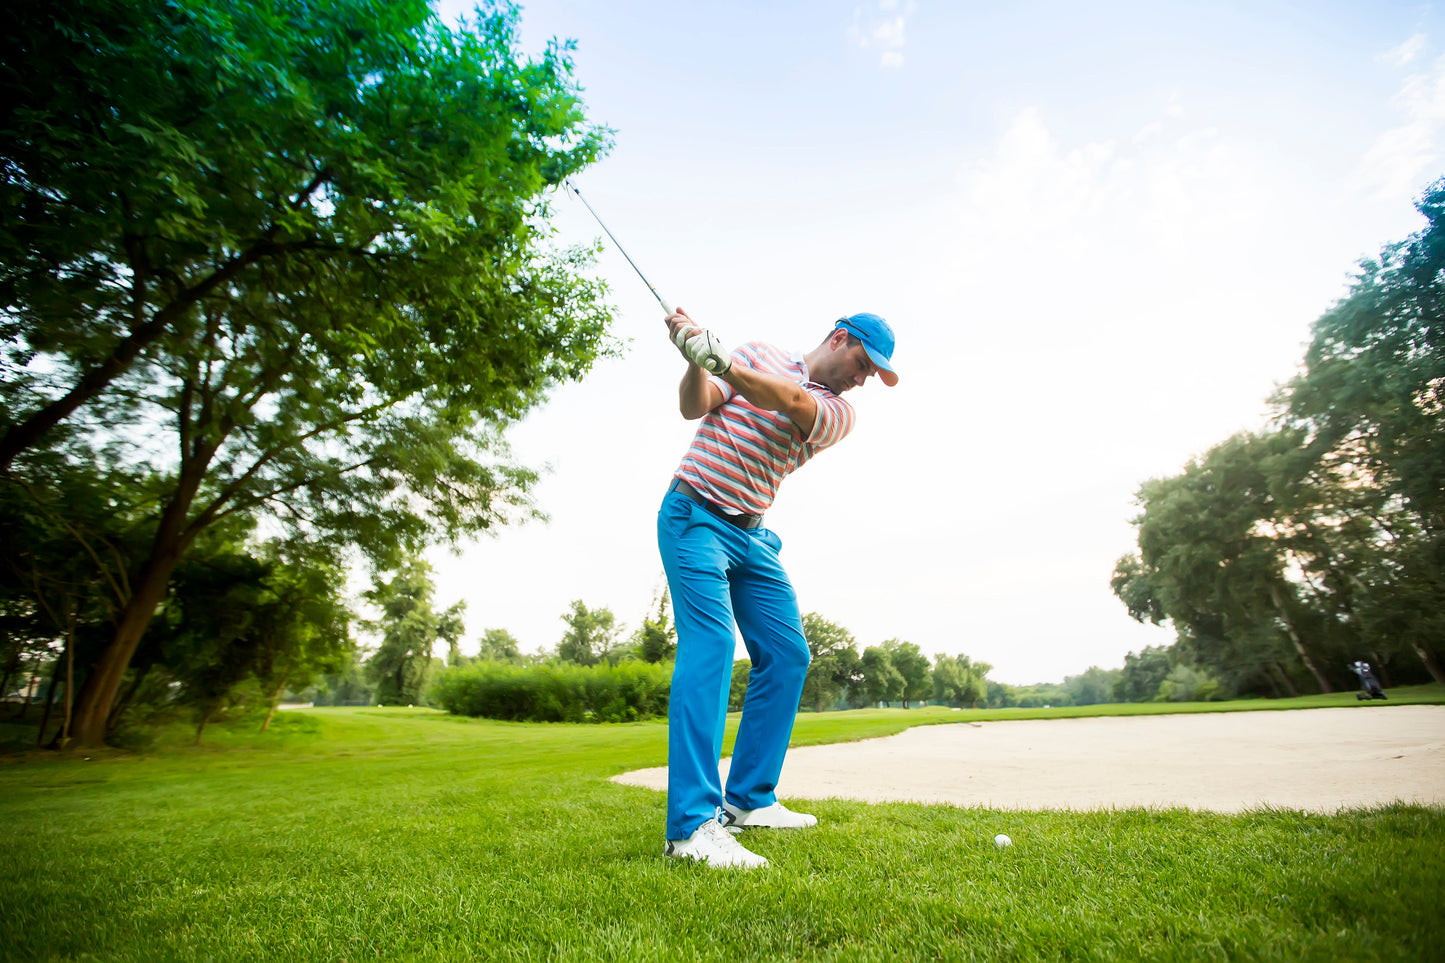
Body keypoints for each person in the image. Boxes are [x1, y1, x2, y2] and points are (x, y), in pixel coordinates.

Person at [657, 307, 898, 869]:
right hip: (695, 514)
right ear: (840, 339)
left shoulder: (839, 412)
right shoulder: (758, 352)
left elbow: (788, 402)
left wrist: (721, 360)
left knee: (788, 654)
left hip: (752, 536)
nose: (862, 380)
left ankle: (748, 801)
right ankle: (690, 828)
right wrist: (695, 360)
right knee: (712, 646)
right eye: (863, 365)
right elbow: (695, 404)